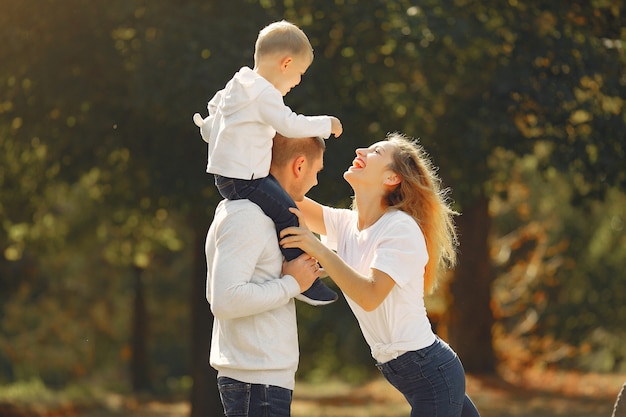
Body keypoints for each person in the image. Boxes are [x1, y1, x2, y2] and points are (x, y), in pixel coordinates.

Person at [280, 132, 481, 417]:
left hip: (430, 371)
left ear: (391, 178)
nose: (360, 150)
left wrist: (320, 251)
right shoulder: (347, 224)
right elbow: (284, 197)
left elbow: (371, 296)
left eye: (375, 152)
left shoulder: (400, 227)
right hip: (410, 371)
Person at [194, 20, 341, 305]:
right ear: (286, 63)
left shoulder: (239, 82)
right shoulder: (264, 93)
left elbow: (215, 108)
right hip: (246, 181)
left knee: (281, 203)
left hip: (230, 178)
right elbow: (288, 124)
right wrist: (327, 124)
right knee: (288, 213)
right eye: (299, 74)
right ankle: (306, 281)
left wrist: (210, 129)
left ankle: (300, 265)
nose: (297, 82)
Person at [206, 133, 328, 417]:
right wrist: (291, 284)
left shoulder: (260, 215)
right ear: (299, 165)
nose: (316, 182)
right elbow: (224, 300)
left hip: (263, 380)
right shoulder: (247, 216)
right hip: (255, 383)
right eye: (317, 171)